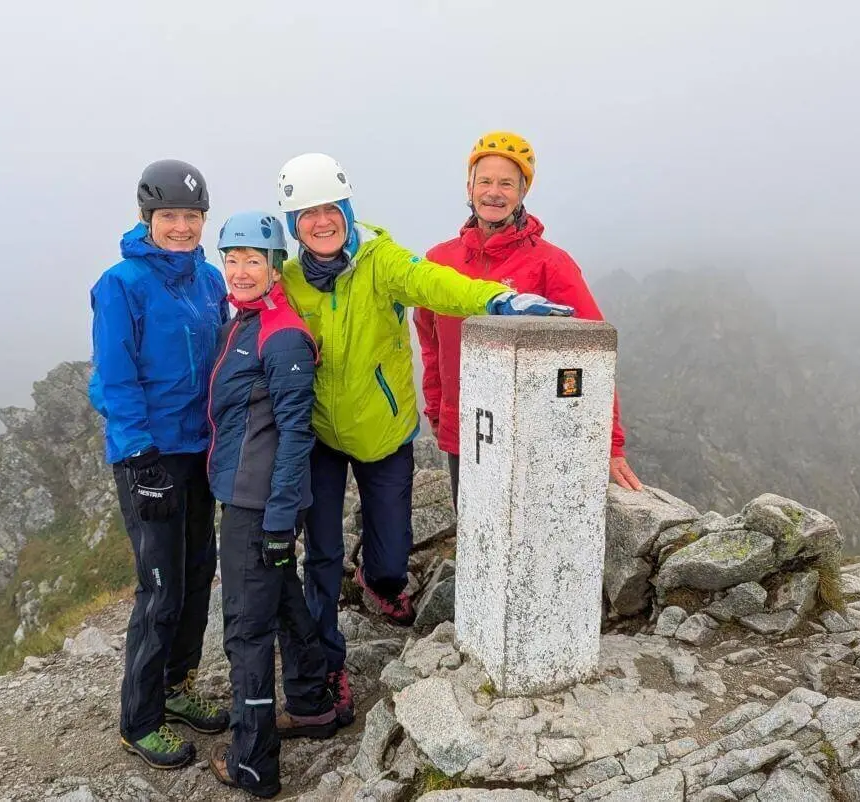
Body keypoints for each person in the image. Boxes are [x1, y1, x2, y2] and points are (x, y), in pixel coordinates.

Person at [275, 152, 573, 726]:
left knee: (391, 544)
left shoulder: (381, 260)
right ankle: (323, 668)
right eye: (306, 214)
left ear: (346, 210)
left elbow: (433, 283)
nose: (320, 223)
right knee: (321, 554)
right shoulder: (289, 280)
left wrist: (494, 298)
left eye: (329, 210)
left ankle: (381, 580)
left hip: (383, 429)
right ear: (294, 225)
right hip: (318, 434)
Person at [88, 159, 230, 770]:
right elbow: (114, 378)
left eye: (191, 216)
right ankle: (139, 720)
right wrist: (140, 454)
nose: (181, 227)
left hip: (201, 451)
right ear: (148, 218)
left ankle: (177, 687)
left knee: (199, 573)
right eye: (169, 216)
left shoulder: (209, 282)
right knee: (160, 588)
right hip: (150, 456)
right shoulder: (121, 284)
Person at [415, 131, 643, 506]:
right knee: (472, 531)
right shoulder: (440, 262)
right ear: (469, 187)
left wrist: (610, 442)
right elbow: (431, 342)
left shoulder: (550, 264)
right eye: (485, 181)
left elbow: (592, 352)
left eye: (507, 183)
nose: (494, 192)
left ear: (522, 193)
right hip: (466, 428)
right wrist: (438, 409)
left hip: (535, 432)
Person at [204, 211, 337, 798]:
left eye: (253, 260)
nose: (240, 270)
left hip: (257, 506)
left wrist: (279, 520)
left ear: (275, 265)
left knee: (246, 630)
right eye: (231, 260)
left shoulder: (279, 334)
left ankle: (253, 762)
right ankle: (312, 703)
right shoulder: (246, 322)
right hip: (259, 501)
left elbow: (295, 434)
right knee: (282, 601)